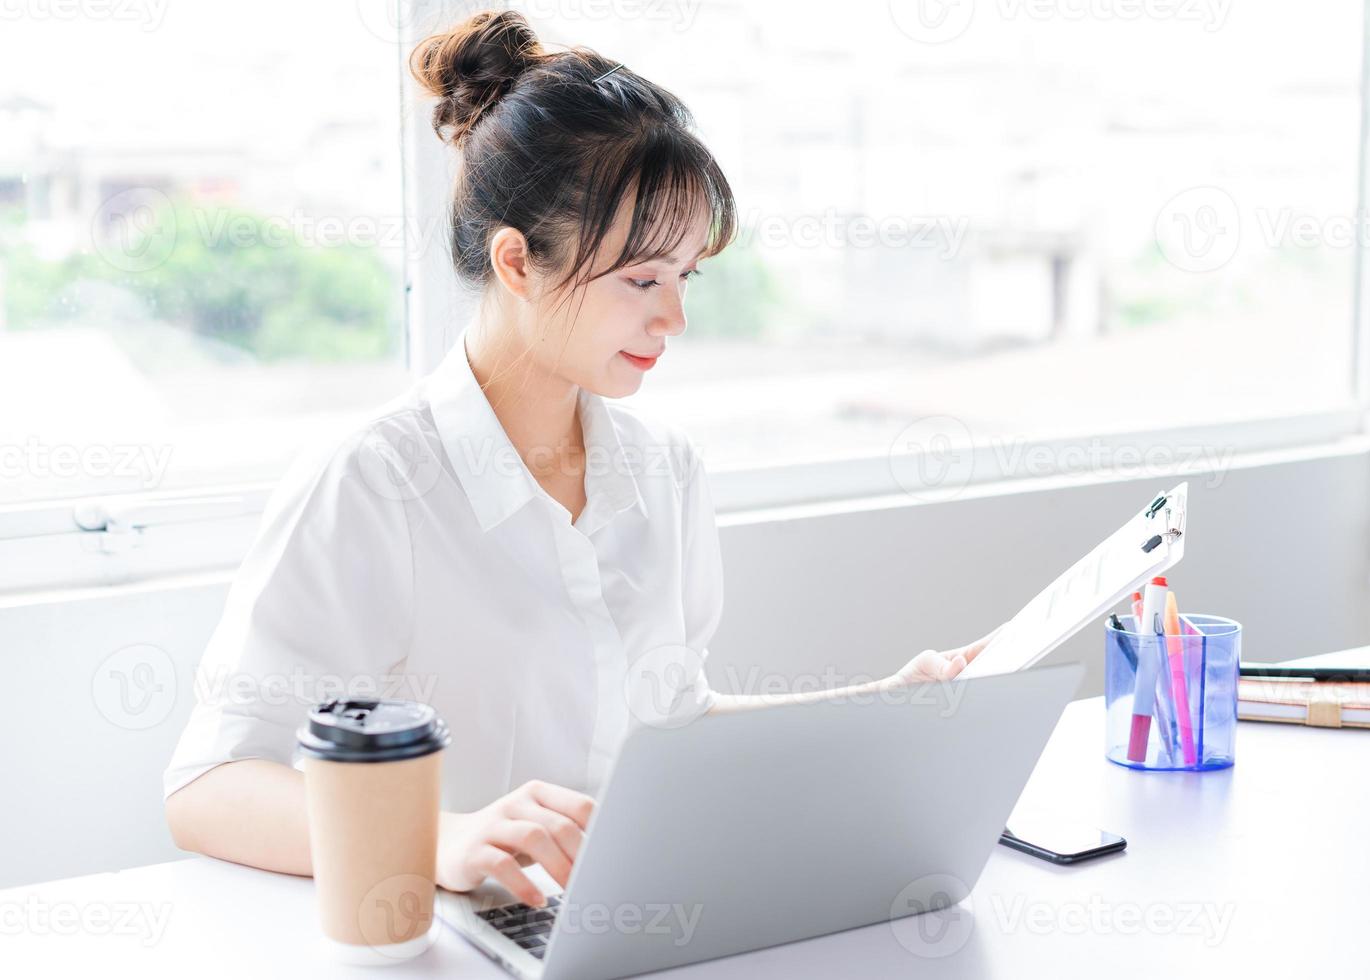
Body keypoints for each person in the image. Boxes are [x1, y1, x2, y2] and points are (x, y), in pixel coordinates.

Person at [163, 9, 997, 910]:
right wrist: (444, 842)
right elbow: (213, 785)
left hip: (627, 928)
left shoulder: (663, 473)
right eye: (642, 280)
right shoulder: (375, 483)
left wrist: (884, 706)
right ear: (517, 262)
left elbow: (669, 723)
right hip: (450, 938)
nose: (673, 319)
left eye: (686, 279)